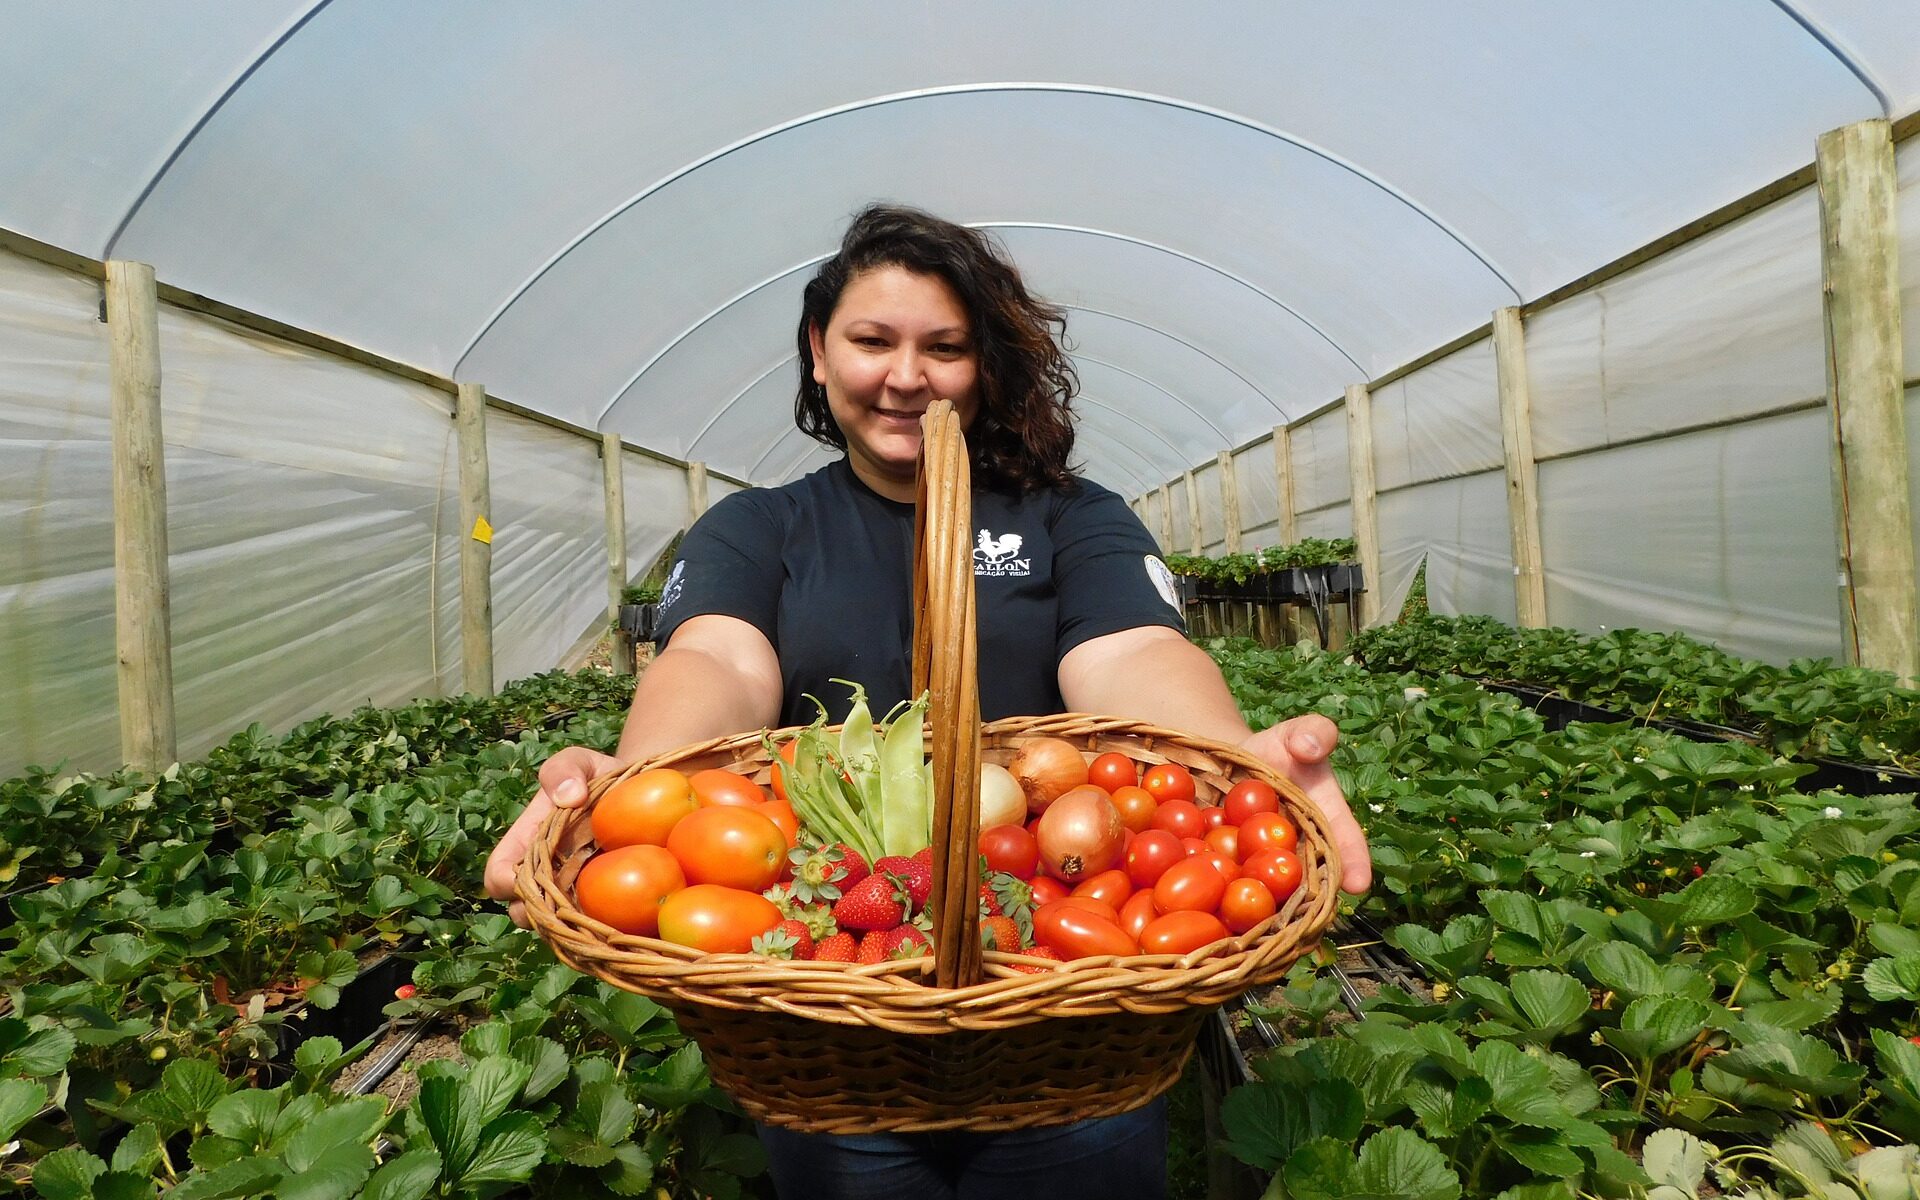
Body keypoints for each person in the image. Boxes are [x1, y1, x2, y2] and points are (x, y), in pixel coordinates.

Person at [484, 203, 1373, 1200]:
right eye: (872, 341)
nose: (906, 376)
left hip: (1061, 1003)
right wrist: (636, 783)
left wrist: (1231, 758)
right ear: (819, 353)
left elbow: (1133, 657)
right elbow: (718, 665)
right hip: (834, 1009)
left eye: (945, 348)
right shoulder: (762, 527)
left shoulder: (1072, 517)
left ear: (983, 365)